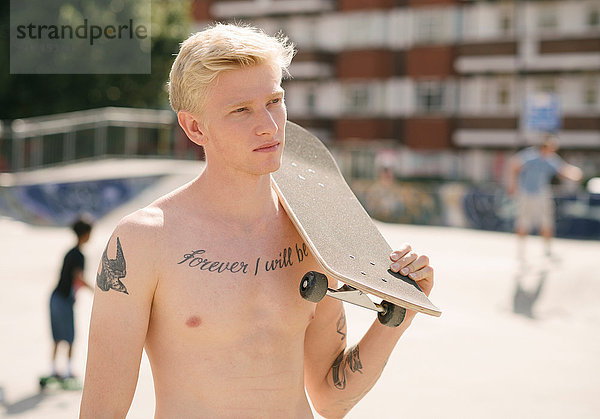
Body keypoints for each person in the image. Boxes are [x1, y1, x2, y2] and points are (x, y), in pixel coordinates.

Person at [80, 23, 434, 418]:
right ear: (195, 127)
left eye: (274, 100)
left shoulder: (314, 230)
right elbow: (101, 411)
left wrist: (400, 312)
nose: (268, 124)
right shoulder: (143, 241)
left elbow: (330, 398)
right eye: (241, 110)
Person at [507, 134, 582, 258]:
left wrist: (574, 174)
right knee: (524, 222)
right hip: (526, 193)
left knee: (546, 221)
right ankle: (521, 249)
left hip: (542, 193)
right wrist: (513, 186)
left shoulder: (551, 158)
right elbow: (514, 166)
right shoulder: (530, 156)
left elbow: (562, 170)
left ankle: (547, 249)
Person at [49, 218, 93, 379]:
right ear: (85, 234)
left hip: (55, 297)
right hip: (63, 300)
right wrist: (95, 290)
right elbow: (78, 277)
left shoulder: (70, 252)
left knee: (57, 336)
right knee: (69, 336)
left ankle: (53, 370)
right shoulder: (79, 255)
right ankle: (67, 371)